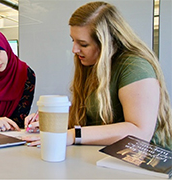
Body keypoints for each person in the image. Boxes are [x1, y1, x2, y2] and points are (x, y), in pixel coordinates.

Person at [24, 1, 172, 150]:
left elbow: (140, 132)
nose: (74, 49)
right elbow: (91, 118)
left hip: (145, 162)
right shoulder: (92, 63)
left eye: (83, 44)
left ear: (107, 42)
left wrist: (72, 135)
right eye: (73, 40)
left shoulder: (135, 67)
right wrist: (52, 122)